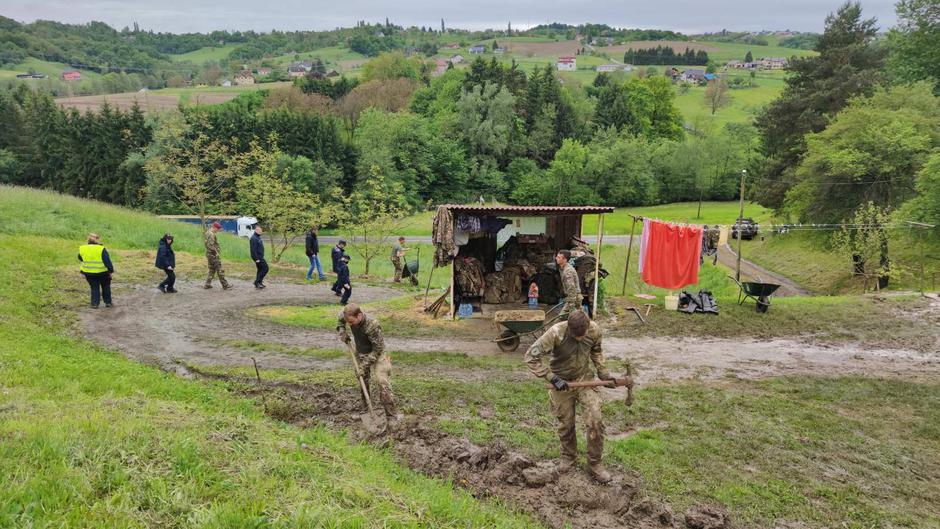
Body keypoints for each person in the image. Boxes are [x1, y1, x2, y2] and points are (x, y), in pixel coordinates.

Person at [524, 310, 613, 483]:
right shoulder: (556, 333)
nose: (579, 339)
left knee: (595, 419)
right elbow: (530, 357)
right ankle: (568, 457)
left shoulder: (594, 330)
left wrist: (603, 372)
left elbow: (596, 351)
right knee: (566, 423)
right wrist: (551, 378)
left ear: (587, 327)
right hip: (561, 382)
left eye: (582, 335)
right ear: (569, 329)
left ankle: (595, 463)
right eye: (575, 336)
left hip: (584, 379)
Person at [336, 303, 398, 420]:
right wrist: (342, 332)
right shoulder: (347, 315)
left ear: (359, 315)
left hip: (378, 354)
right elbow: (340, 321)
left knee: (382, 382)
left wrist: (364, 365)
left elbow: (378, 349)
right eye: (348, 322)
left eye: (351, 322)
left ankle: (391, 415)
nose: (350, 324)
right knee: (362, 378)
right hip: (361, 352)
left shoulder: (372, 325)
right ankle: (366, 407)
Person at [78, 233, 114, 308]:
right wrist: (110, 271)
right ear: (97, 240)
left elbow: (80, 258)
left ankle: (94, 304)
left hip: (89, 272)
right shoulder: (101, 248)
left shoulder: (83, 248)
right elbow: (107, 260)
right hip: (102, 272)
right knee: (106, 286)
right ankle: (108, 302)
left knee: (94, 287)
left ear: (88, 240)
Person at [204, 222, 230, 290]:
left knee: (212, 269)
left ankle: (207, 284)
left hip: (209, 254)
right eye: (218, 229)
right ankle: (225, 285)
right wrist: (216, 253)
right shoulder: (211, 234)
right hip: (213, 255)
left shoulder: (207, 232)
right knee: (220, 270)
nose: (218, 231)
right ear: (214, 227)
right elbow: (210, 246)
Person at [556, 250, 582, 319]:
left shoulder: (568, 271)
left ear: (565, 259)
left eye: (559, 257)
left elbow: (571, 287)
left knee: (562, 318)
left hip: (574, 298)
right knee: (578, 318)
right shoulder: (563, 268)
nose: (556, 258)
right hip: (573, 297)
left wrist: (571, 303)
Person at [250, 225, 268, 289]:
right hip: (258, 258)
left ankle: (259, 283)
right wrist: (256, 259)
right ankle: (257, 282)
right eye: (259, 230)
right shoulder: (253, 238)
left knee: (260, 270)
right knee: (265, 268)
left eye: (261, 230)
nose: (260, 231)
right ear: (255, 230)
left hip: (260, 257)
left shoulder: (257, 237)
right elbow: (253, 250)